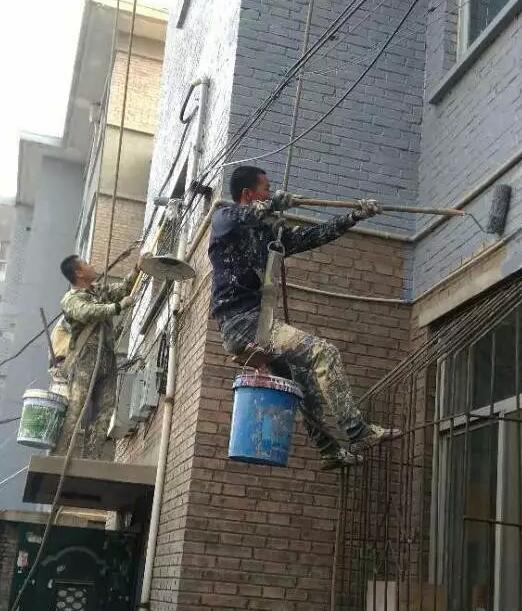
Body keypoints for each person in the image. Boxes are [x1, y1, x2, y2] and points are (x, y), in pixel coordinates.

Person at [208, 166, 400, 468]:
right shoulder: (224, 219)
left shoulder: (266, 234)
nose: (269, 193)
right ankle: (357, 431)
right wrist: (270, 206)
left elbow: (311, 237)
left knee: (303, 380)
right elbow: (238, 217)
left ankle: (329, 450)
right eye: (265, 189)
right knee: (325, 353)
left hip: (255, 324)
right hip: (242, 323)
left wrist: (354, 217)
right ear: (248, 194)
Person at [54, 255, 144, 458]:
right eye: (86, 264)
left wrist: (137, 269)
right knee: (77, 408)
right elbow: (87, 312)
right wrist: (118, 307)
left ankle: (92, 456)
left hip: (107, 357)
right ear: (78, 272)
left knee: (104, 411)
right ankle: (61, 455)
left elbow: (122, 289)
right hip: (85, 358)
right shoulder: (71, 299)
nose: (92, 265)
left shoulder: (98, 291)